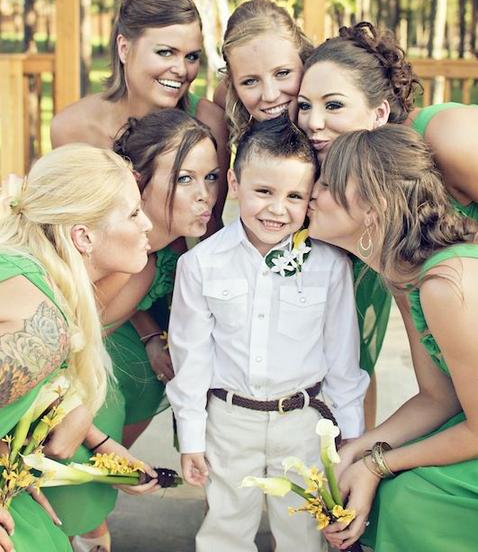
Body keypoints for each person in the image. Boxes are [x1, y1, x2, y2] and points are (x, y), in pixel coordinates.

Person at [167, 116, 369, 552]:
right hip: (229, 419)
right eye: (264, 191)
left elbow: (342, 359)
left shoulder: (329, 265)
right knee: (225, 527)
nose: (278, 210)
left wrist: (350, 437)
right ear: (235, 184)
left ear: (310, 198)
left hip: (303, 420)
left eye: (294, 196)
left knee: (303, 532)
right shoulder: (200, 264)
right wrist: (192, 436)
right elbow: (191, 358)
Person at [45, 110, 220, 551]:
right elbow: (53, 358)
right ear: (139, 181)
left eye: (212, 177)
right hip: (43, 385)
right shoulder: (115, 253)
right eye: (185, 179)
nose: (205, 195)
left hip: (73, 370)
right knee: (102, 412)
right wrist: (104, 445)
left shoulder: (154, 256)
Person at [307, 125, 478, 552]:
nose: (311, 193)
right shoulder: (405, 276)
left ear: (373, 207)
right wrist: (360, 448)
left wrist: (377, 465)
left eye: (326, 184)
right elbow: (439, 398)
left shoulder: (446, 285)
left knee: (408, 499)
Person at [297, 21, 478, 424]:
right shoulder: (381, 209)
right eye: (305, 106)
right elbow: (435, 394)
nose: (313, 122)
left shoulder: (447, 137)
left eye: (333, 105)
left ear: (379, 112)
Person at [0, 145, 157, 552]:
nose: (148, 224)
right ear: (83, 236)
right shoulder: (41, 325)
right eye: (134, 213)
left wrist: (100, 443)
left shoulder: (43, 285)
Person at [50, 0, 228, 224]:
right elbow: (69, 229)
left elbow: (211, 227)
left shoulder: (210, 122)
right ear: (124, 48)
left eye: (191, 57)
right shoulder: (72, 129)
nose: (182, 70)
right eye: (165, 52)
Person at [218, 0, 313, 144]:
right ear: (234, 87)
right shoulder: (221, 110)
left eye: (282, 73)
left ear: (304, 60)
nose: (270, 96)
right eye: (250, 81)